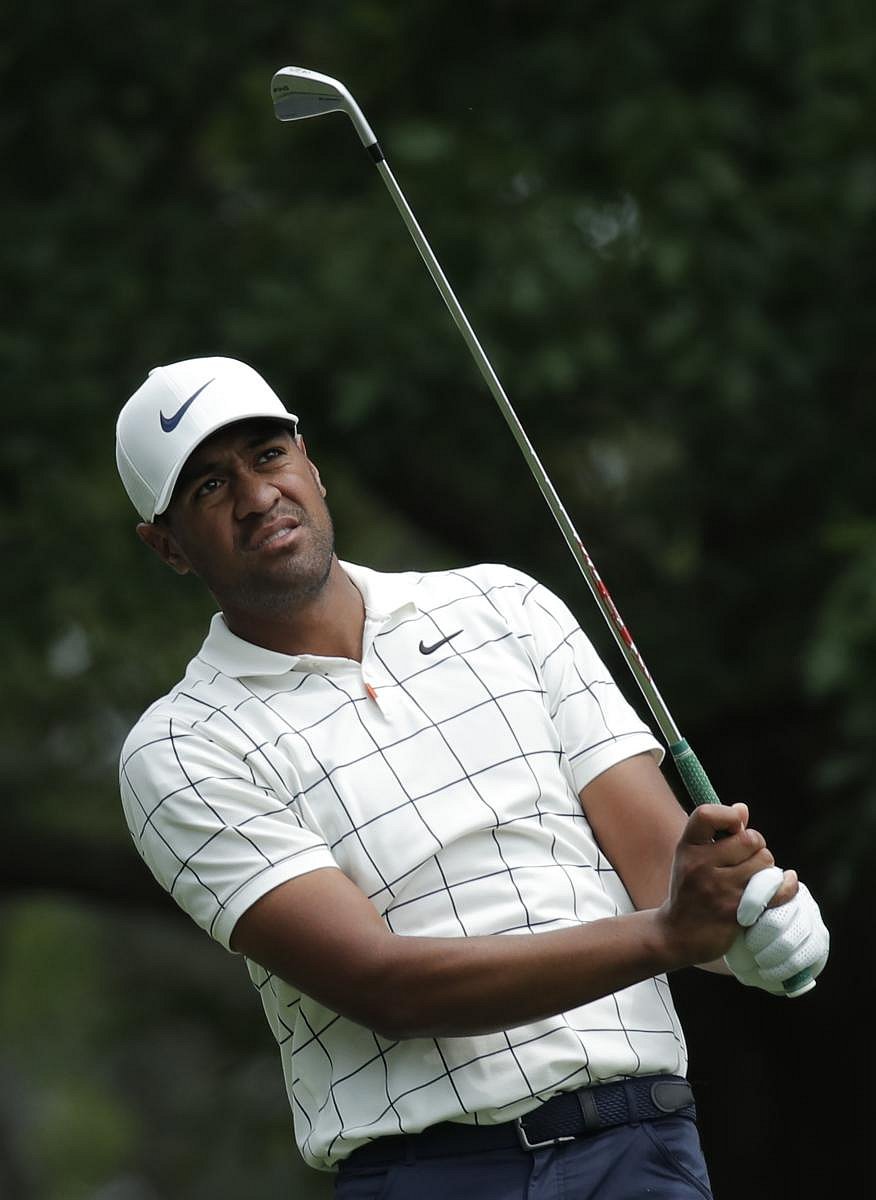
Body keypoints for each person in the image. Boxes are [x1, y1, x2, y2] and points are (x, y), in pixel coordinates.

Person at [115, 356, 829, 1199]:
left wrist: (751, 922)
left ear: (309, 459)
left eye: (267, 455)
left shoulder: (505, 607)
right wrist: (674, 935)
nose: (257, 495)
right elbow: (386, 986)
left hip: (640, 1146)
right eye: (207, 487)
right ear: (166, 547)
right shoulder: (182, 746)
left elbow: (663, 874)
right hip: (434, 1175)